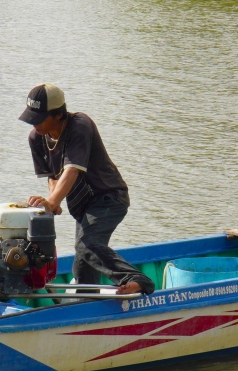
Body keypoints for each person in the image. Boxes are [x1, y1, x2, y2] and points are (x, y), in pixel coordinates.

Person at [20, 84, 155, 295]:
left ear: (57, 115)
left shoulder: (79, 126)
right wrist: (51, 201)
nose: (33, 123)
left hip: (109, 198)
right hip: (83, 207)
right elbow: (54, 175)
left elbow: (72, 170)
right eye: (31, 117)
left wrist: (53, 202)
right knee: (82, 267)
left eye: (39, 118)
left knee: (87, 245)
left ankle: (138, 280)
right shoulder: (36, 138)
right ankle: (87, 304)